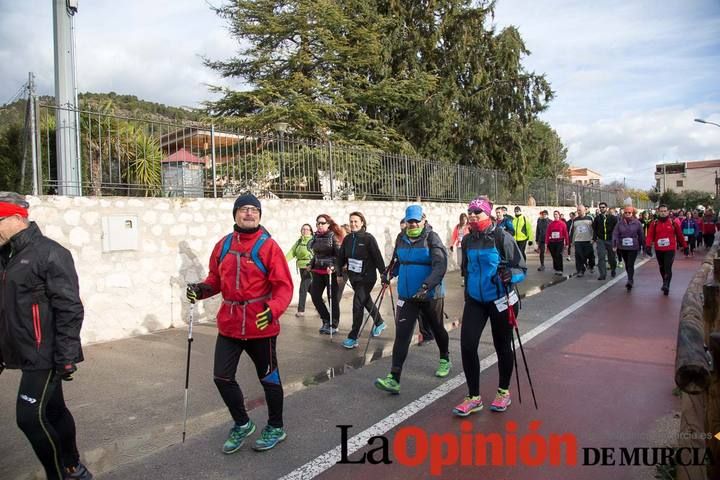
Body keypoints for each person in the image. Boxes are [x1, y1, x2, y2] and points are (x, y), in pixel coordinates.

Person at [186, 193, 293, 453]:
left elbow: (284, 287)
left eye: (254, 210)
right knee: (222, 377)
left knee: (269, 378)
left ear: (259, 215)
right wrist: (200, 290)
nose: (249, 214)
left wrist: (273, 310)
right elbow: (216, 280)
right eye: (243, 209)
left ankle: (276, 427)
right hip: (230, 325)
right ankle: (242, 423)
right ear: (235, 214)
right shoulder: (223, 245)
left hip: (261, 325)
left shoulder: (269, 247)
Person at [0, 192, 93, 480]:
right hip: (22, 349)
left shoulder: (50, 253)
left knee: (28, 418)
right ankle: (72, 465)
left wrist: (66, 356)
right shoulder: (7, 256)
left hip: (46, 352)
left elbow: (70, 308)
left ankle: (58, 474)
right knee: (53, 410)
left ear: (16, 218)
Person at [452, 196, 527, 416]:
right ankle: (474, 397)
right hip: (475, 300)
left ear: (489, 214)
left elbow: (521, 269)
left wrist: (510, 274)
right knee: (467, 345)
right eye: (471, 212)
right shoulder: (467, 240)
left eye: (478, 212)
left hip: (500, 299)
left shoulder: (502, 237)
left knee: (502, 345)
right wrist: (467, 294)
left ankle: (503, 392)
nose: (473, 216)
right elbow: (466, 271)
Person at [374, 205, 451, 394]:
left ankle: (444, 358)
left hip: (430, 294)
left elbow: (440, 265)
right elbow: (397, 261)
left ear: (424, 219)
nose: (413, 223)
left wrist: (426, 286)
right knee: (402, 334)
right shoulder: (401, 237)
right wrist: (388, 273)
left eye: (416, 220)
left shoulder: (432, 238)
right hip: (407, 295)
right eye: (410, 220)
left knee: (436, 328)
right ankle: (394, 377)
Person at [337, 211, 387, 349]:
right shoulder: (348, 239)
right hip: (354, 278)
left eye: (356, 221)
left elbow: (377, 257)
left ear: (362, 223)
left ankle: (353, 337)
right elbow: (341, 257)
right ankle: (379, 322)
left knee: (357, 304)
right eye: (351, 221)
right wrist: (338, 271)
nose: (353, 223)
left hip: (367, 277)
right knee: (365, 301)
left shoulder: (368, 238)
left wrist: (384, 274)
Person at [308, 214, 344, 334]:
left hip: (330, 272)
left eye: (322, 223)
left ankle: (334, 324)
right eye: (318, 223)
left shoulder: (333, 236)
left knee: (332, 298)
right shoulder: (316, 237)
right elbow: (316, 254)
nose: (319, 225)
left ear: (328, 224)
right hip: (317, 271)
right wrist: (311, 264)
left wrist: (334, 266)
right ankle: (326, 319)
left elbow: (339, 256)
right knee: (315, 296)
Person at [646, 204, 687, 295]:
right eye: (661, 211)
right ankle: (664, 281)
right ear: (658, 212)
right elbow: (649, 235)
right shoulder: (654, 223)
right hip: (659, 249)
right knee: (661, 267)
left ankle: (667, 284)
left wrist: (685, 246)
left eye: (665, 211)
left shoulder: (673, 223)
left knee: (668, 266)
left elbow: (680, 235)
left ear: (668, 212)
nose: (663, 213)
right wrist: (648, 246)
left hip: (670, 249)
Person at [613, 206, 644, 291]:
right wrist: (615, 245)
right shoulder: (619, 223)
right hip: (623, 247)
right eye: (626, 213)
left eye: (629, 213)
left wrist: (643, 246)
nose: (627, 214)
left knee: (630, 263)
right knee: (627, 264)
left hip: (633, 247)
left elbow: (641, 235)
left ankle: (630, 280)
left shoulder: (637, 223)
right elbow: (615, 234)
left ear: (632, 213)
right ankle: (630, 277)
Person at [286, 224, 314, 317]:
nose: (305, 231)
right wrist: (283, 261)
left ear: (311, 231)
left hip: (309, 267)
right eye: (303, 229)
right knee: (309, 288)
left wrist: (312, 264)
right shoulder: (299, 241)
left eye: (307, 229)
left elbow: (317, 254)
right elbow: (292, 252)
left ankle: (301, 310)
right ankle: (320, 302)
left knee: (303, 288)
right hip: (301, 267)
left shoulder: (313, 241)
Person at [593, 202, 618, 280]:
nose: (601, 209)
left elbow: (617, 230)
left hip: (610, 240)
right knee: (601, 257)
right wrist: (594, 239)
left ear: (606, 208)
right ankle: (602, 274)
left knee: (612, 258)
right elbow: (595, 229)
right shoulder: (597, 218)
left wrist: (616, 240)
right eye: (600, 207)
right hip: (601, 240)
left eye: (603, 207)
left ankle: (613, 269)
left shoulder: (613, 218)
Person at [571, 205, 595, 277]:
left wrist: (593, 239)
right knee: (578, 256)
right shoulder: (575, 220)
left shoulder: (590, 218)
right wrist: (572, 241)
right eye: (577, 210)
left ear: (584, 210)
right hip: (578, 241)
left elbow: (594, 229)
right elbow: (572, 231)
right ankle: (580, 270)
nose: (578, 212)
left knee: (590, 255)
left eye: (580, 210)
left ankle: (591, 265)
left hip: (588, 240)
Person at [545, 210, 570, 275]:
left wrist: (567, 243)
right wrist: (546, 243)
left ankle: (560, 269)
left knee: (558, 255)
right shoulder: (551, 224)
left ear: (559, 215)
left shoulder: (562, 223)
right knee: (554, 256)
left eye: (556, 214)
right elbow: (548, 233)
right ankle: (556, 268)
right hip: (552, 242)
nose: (555, 215)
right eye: (554, 214)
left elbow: (565, 233)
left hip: (560, 242)